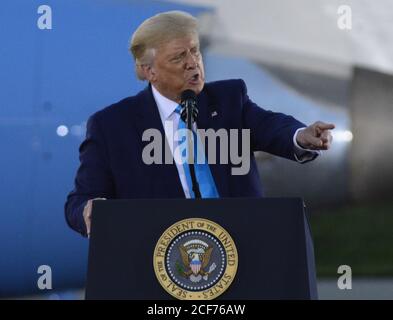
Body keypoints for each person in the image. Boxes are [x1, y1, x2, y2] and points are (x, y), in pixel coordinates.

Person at [65, 11, 334, 237]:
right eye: (178, 57)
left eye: (195, 51)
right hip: (160, 260)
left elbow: (270, 126)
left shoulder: (229, 99)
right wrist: (91, 210)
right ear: (150, 71)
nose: (192, 63)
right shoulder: (112, 126)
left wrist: (300, 135)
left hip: (241, 247)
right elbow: (79, 202)